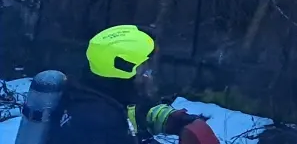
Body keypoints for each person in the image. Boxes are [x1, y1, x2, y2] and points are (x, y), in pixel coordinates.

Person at [49, 24, 219, 144]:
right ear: (122, 69)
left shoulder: (101, 93)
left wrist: (171, 119)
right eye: (143, 68)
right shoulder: (99, 123)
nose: (148, 75)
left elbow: (137, 111)